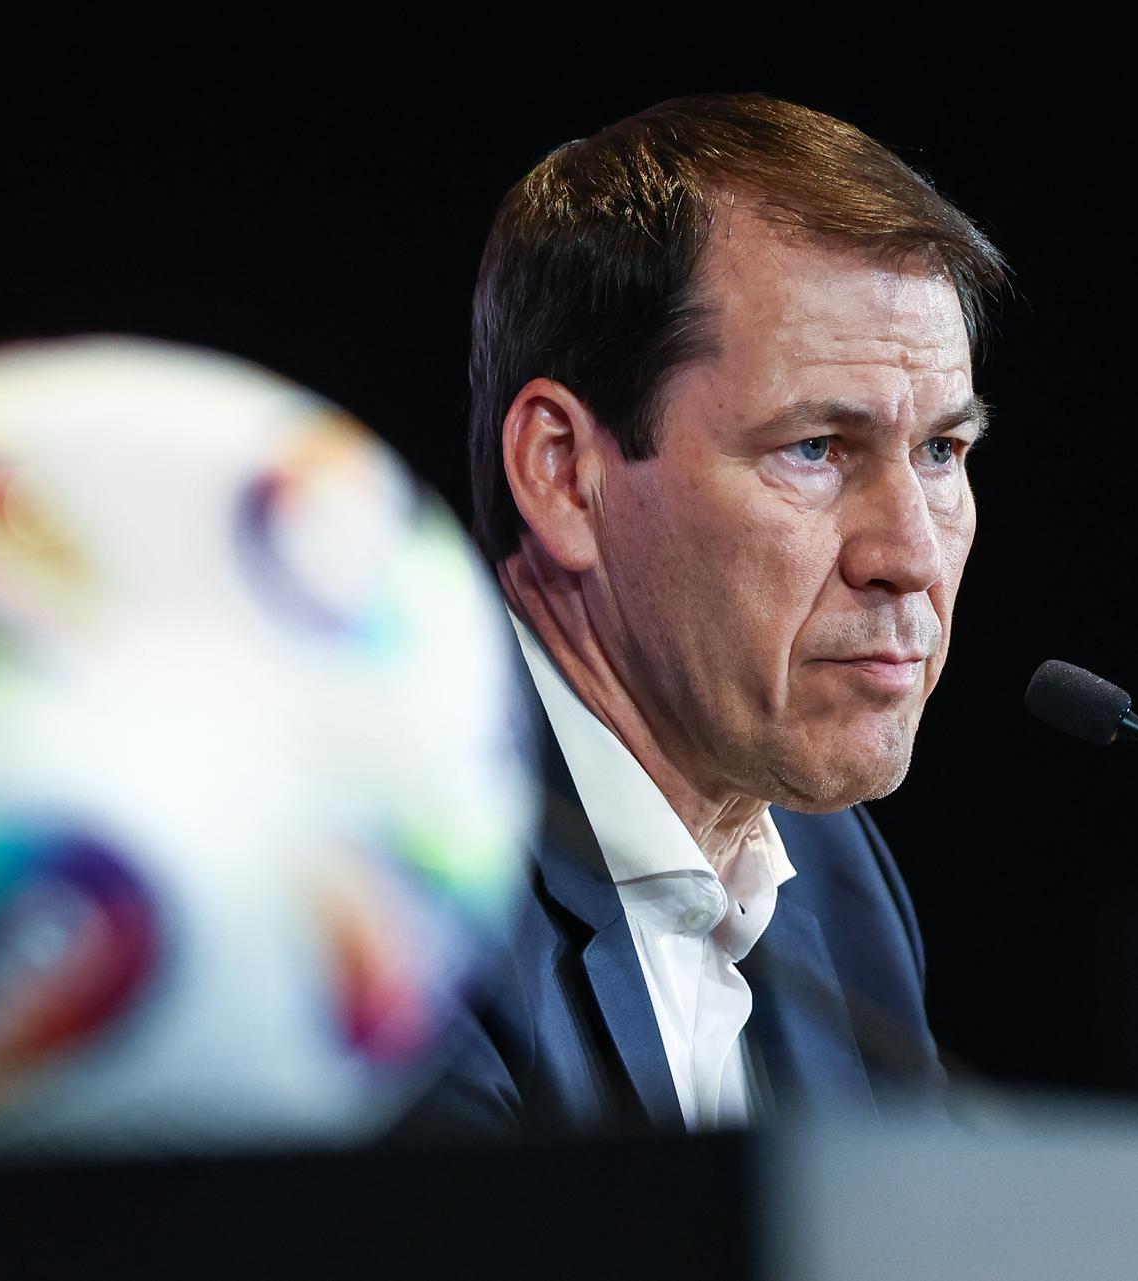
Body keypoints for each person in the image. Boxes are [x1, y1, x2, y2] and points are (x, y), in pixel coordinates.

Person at [411, 93, 1006, 1135]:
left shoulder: (833, 872)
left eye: (941, 453)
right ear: (563, 474)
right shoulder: (402, 890)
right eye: (816, 449)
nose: (910, 555)